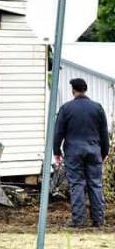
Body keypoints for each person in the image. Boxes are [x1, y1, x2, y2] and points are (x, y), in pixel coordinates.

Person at [54, 77, 110, 228]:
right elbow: (104, 132)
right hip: (94, 151)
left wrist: (56, 150)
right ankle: (98, 220)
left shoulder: (66, 109)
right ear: (85, 90)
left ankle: (79, 221)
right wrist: (104, 152)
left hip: (73, 152)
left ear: (73, 91)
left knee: (77, 185)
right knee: (95, 184)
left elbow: (58, 132)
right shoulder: (97, 108)